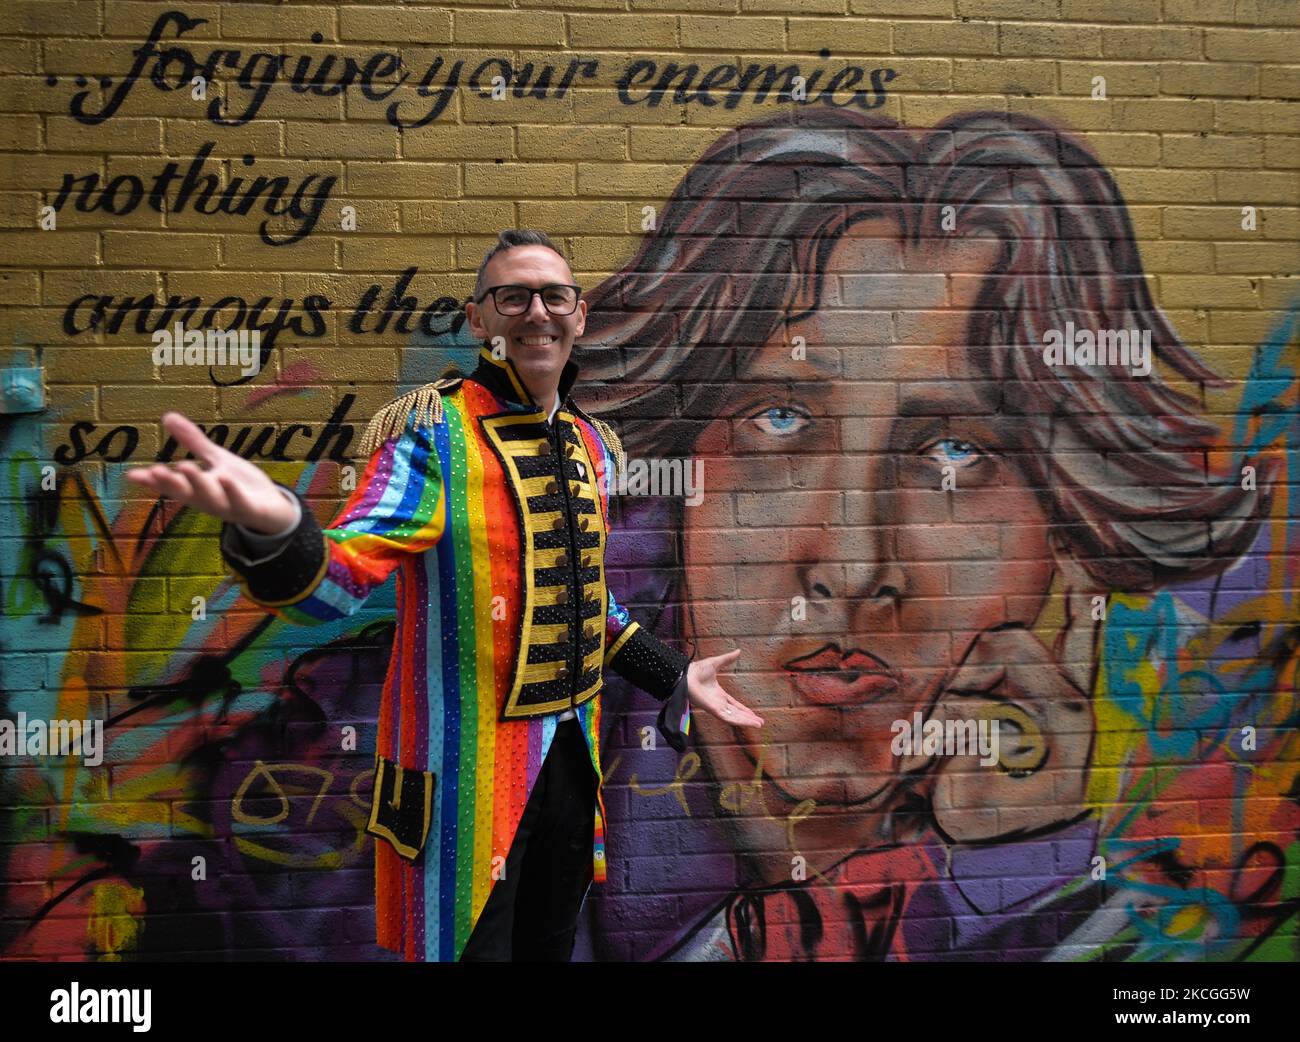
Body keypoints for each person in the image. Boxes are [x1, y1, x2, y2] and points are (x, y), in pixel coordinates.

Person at [572, 108, 1282, 960]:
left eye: (954, 450)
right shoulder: (544, 745)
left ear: (1072, 530)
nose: (855, 564)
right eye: (780, 419)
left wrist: (1012, 868)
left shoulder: (1192, 831)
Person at [126, 229, 763, 961]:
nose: (536, 313)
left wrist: (672, 673)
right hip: (462, 790)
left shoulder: (590, 442)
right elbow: (336, 585)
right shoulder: (433, 434)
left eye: (554, 296)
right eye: (512, 297)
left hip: (568, 777)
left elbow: (589, 603)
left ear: (578, 316)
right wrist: (279, 531)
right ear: (479, 319)